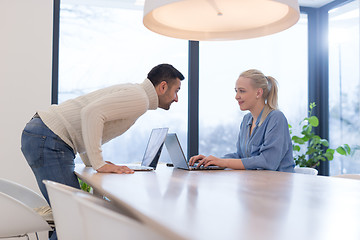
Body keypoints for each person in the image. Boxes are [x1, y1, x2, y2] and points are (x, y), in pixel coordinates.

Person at [21, 63, 185, 205]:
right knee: (72, 218)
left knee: (70, 218)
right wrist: (99, 163)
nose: (176, 99)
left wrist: (91, 162)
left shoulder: (135, 92)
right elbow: (91, 113)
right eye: (176, 91)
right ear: (163, 87)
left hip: (45, 134)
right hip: (49, 137)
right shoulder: (140, 99)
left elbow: (88, 119)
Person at [189, 69, 295, 172]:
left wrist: (224, 162)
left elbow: (268, 161)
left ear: (258, 93)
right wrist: (212, 161)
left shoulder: (276, 118)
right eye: (236, 91)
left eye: (242, 91)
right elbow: (240, 156)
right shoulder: (246, 120)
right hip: (255, 183)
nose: (236, 96)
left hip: (277, 185)